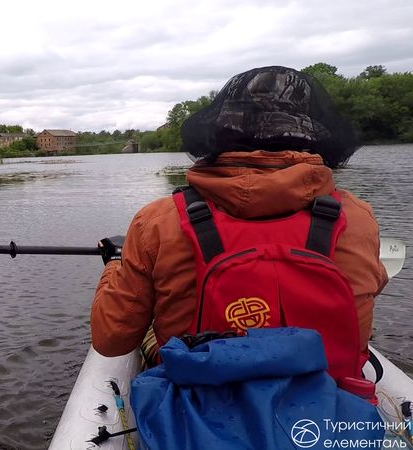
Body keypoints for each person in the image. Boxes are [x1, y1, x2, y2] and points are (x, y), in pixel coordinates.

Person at [90, 66, 388, 383]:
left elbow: (111, 340)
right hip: (325, 406)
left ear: (220, 134)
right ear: (310, 135)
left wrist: (117, 264)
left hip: (200, 409)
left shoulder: (158, 221)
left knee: (150, 326)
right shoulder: (356, 217)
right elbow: (372, 288)